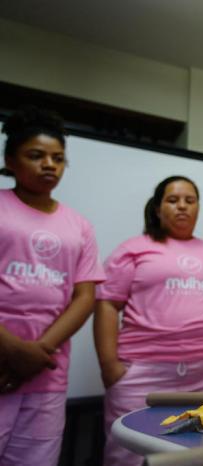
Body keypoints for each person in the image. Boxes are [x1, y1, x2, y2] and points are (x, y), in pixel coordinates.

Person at [94, 175, 203, 466]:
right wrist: (109, 365)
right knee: (130, 455)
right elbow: (108, 305)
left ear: (198, 207)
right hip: (143, 376)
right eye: (172, 200)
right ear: (158, 208)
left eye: (190, 200)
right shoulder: (133, 249)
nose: (182, 206)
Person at [0, 107, 105, 466]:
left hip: (46, 368)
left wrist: (38, 351)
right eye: (36, 156)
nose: (49, 165)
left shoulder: (79, 225)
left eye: (58, 159)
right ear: (10, 160)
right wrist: (13, 349)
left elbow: (84, 296)